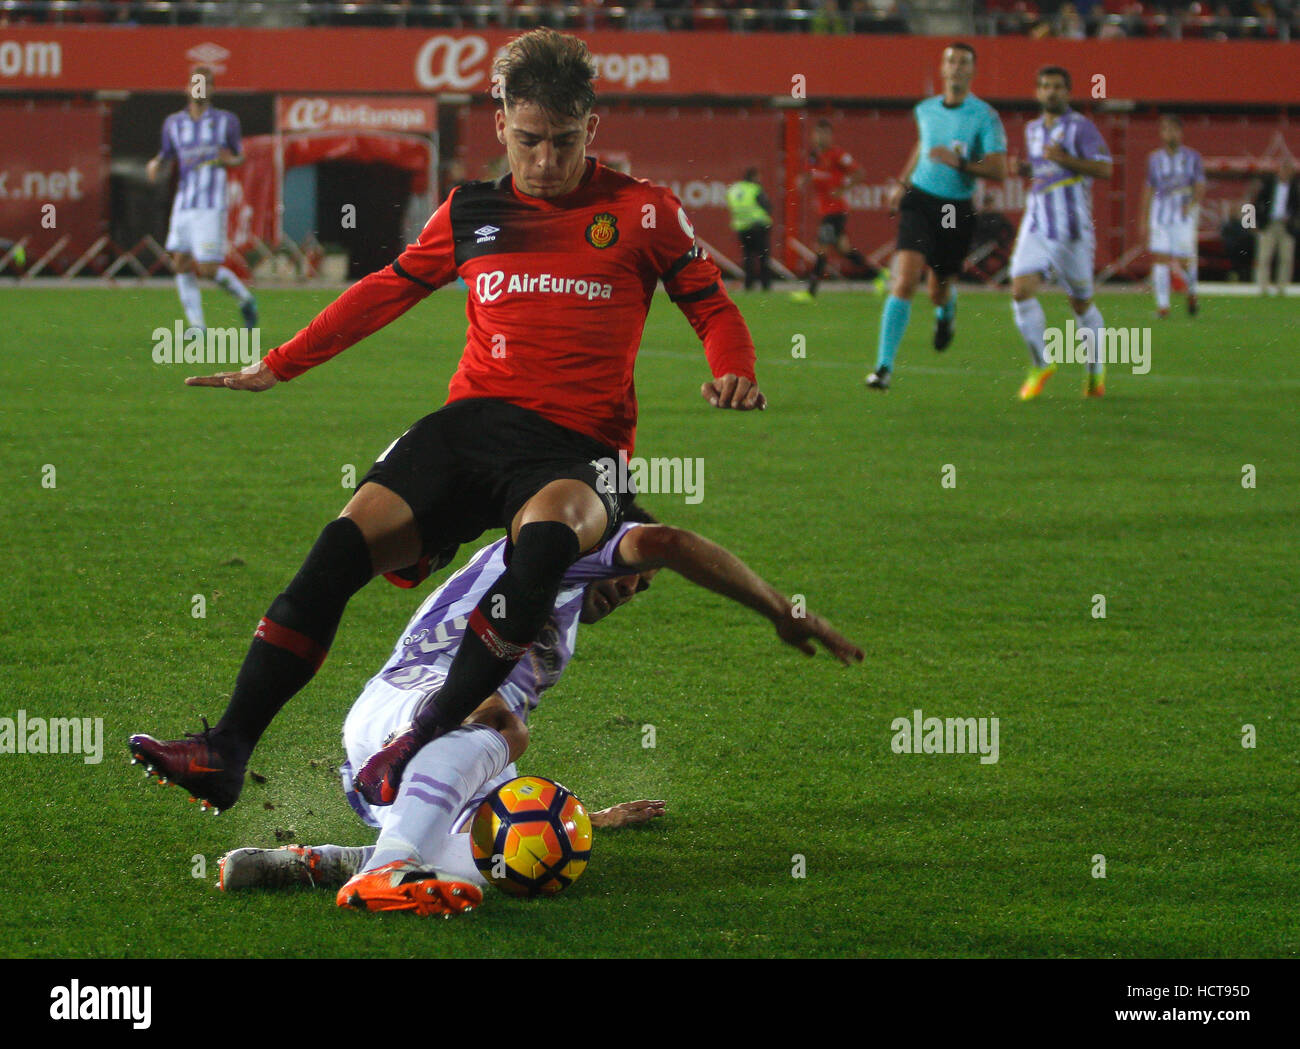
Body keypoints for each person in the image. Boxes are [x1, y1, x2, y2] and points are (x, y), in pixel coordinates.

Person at [128, 29, 766, 815]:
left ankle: (417, 738)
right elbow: (386, 289)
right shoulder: (472, 209)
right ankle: (225, 749)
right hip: (470, 427)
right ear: (500, 122)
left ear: (591, 130)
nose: (544, 161)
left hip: (577, 449)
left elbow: (709, 303)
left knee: (542, 551)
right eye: (529, 140)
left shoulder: (642, 210)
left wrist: (733, 366)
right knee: (339, 547)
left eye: (564, 142)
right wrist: (283, 361)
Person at [210, 505, 863, 913]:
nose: (631, 588)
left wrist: (585, 817)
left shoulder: (563, 607)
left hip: (412, 762)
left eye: (640, 588)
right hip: (403, 709)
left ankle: (330, 862)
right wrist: (784, 608)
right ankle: (387, 867)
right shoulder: (554, 553)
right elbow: (671, 541)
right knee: (501, 724)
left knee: (529, 856)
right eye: (631, 572)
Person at [866, 43, 1007, 391]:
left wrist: (958, 162)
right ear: (942, 70)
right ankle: (883, 367)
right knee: (904, 279)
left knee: (938, 289)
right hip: (920, 200)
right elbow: (923, 145)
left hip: (953, 208)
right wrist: (902, 182)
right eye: (951, 61)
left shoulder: (984, 116)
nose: (956, 68)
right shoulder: (925, 109)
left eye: (963, 63)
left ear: (972, 72)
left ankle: (946, 311)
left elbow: (999, 169)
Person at [1008, 66, 1114, 401]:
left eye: (1057, 87)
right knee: (1020, 289)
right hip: (1037, 220)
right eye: (1045, 87)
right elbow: (1045, 171)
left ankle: (1095, 369)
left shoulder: (1080, 128)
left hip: (1071, 228)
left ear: (1067, 93)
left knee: (1080, 303)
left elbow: (1105, 168)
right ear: (1037, 92)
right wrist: (1028, 170)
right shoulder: (1033, 129)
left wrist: (1067, 159)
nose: (1050, 92)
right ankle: (1041, 364)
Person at [146, 65, 258, 336]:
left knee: (208, 269)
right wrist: (155, 164)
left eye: (205, 84)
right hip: (184, 202)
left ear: (212, 90)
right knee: (180, 263)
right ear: (187, 88)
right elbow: (166, 155)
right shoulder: (173, 123)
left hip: (211, 203)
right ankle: (198, 326)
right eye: (195, 83)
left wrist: (231, 160)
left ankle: (245, 299)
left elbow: (239, 155)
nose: (200, 89)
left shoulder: (226, 121)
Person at [791, 118, 881, 302]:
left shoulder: (838, 155)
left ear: (830, 136)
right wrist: (803, 180)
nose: (819, 137)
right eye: (817, 133)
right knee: (843, 249)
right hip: (826, 210)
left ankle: (810, 292)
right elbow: (811, 173)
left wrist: (843, 190)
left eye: (823, 133)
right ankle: (880, 275)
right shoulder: (814, 156)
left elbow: (859, 173)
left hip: (835, 210)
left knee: (821, 249)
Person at [1139, 115, 1206, 318]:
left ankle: (1192, 293)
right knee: (1160, 258)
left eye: (1174, 130)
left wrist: (1193, 204)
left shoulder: (1193, 157)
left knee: (1186, 261)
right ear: (1161, 134)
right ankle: (1163, 307)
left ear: (1181, 133)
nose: (1170, 134)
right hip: (1160, 214)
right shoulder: (1154, 159)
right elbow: (1149, 189)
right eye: (1166, 130)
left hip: (1182, 214)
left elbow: (1200, 185)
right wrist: (1144, 218)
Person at [1251, 155, 1299, 296]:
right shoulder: (1269, 184)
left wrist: (1292, 219)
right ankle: (1263, 287)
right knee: (1264, 256)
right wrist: (1255, 222)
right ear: (1280, 170)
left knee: (1286, 258)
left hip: (1285, 226)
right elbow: (1257, 202)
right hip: (1269, 224)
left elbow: (1297, 207)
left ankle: (1281, 287)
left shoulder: (1294, 187)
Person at [726, 167, 774, 292]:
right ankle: (765, 284)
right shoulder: (754, 189)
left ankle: (748, 284)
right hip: (758, 225)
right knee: (763, 256)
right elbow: (767, 206)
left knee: (748, 256)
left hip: (742, 227)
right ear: (753, 177)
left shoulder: (734, 189)